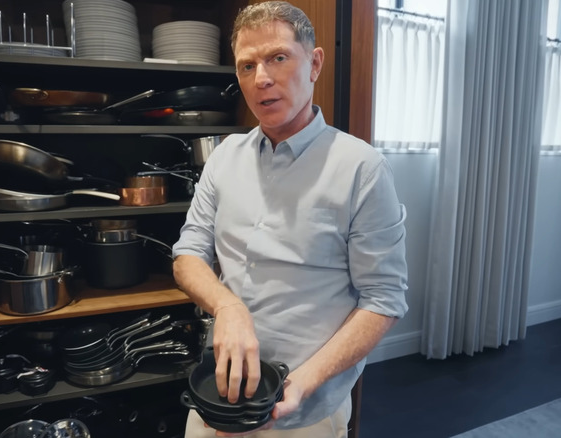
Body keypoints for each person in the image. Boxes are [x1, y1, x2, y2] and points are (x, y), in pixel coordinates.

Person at [171, 2, 409, 437]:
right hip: (217, 394)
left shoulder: (362, 169)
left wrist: (304, 381)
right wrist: (227, 305)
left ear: (314, 63)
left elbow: (384, 299)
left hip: (306, 411)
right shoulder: (224, 158)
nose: (261, 78)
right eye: (246, 66)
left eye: (278, 57)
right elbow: (188, 253)